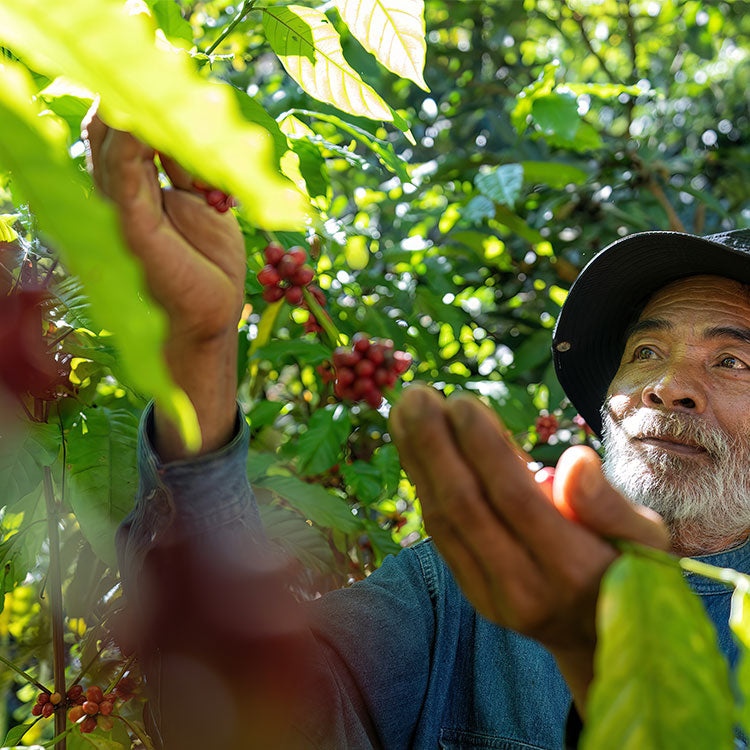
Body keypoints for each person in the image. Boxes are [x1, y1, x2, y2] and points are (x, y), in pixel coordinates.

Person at [86, 115, 750, 748]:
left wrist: (596, 660)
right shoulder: (464, 589)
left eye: (731, 360)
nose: (668, 385)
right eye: (645, 354)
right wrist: (201, 355)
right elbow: (252, 716)